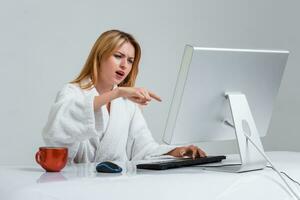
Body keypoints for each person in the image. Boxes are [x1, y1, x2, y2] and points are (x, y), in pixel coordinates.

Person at [42, 29, 207, 163]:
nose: (124, 65)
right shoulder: (72, 92)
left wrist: (178, 151)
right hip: (73, 185)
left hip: (116, 187)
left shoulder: (127, 104)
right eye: (118, 56)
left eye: (130, 60)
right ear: (99, 56)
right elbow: (56, 133)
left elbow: (144, 149)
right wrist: (117, 92)